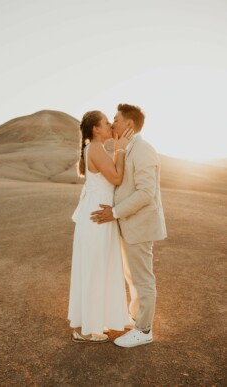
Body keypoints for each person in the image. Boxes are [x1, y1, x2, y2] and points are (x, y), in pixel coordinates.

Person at [91, 104, 167, 347]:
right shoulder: (127, 148)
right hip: (128, 224)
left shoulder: (143, 149)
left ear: (129, 125)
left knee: (143, 279)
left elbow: (146, 193)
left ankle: (144, 330)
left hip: (140, 225)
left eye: (116, 119)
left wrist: (114, 212)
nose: (112, 124)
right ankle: (136, 319)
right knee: (132, 276)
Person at [68, 110, 134, 343]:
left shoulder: (95, 148)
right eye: (106, 123)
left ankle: (93, 322)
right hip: (98, 217)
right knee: (95, 267)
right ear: (96, 130)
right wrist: (122, 149)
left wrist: (116, 150)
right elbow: (116, 178)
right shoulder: (95, 148)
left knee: (97, 267)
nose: (110, 126)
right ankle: (86, 330)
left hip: (98, 215)